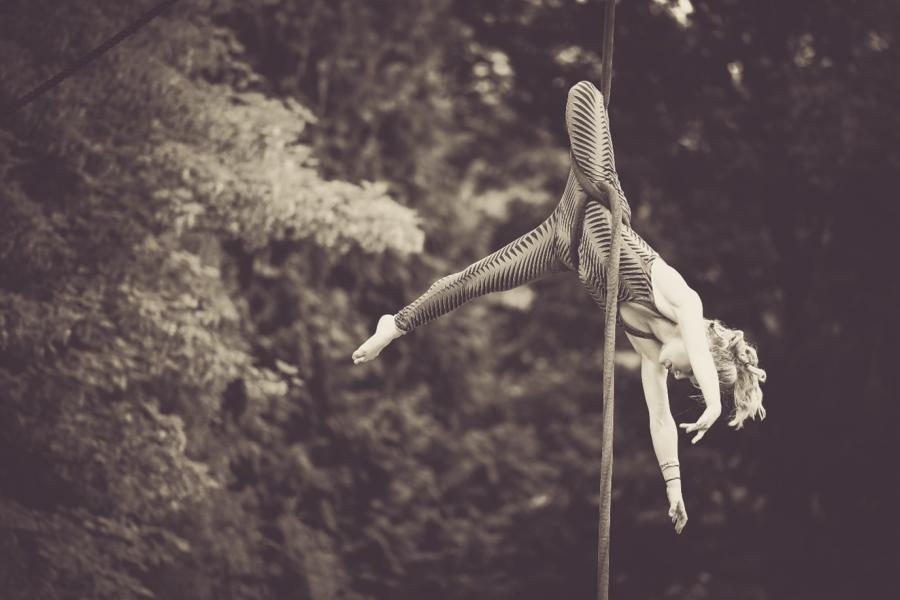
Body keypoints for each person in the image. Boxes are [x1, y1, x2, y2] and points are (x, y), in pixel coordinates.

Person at [351, 81, 767, 534]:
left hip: (560, 243)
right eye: (692, 372)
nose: (683, 375)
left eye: (686, 378)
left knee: (478, 279)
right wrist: (711, 399)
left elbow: (661, 419)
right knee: (585, 92)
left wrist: (674, 487)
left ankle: (395, 325)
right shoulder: (679, 297)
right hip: (594, 196)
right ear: (703, 343)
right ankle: (396, 323)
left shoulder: (651, 356)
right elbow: (701, 351)